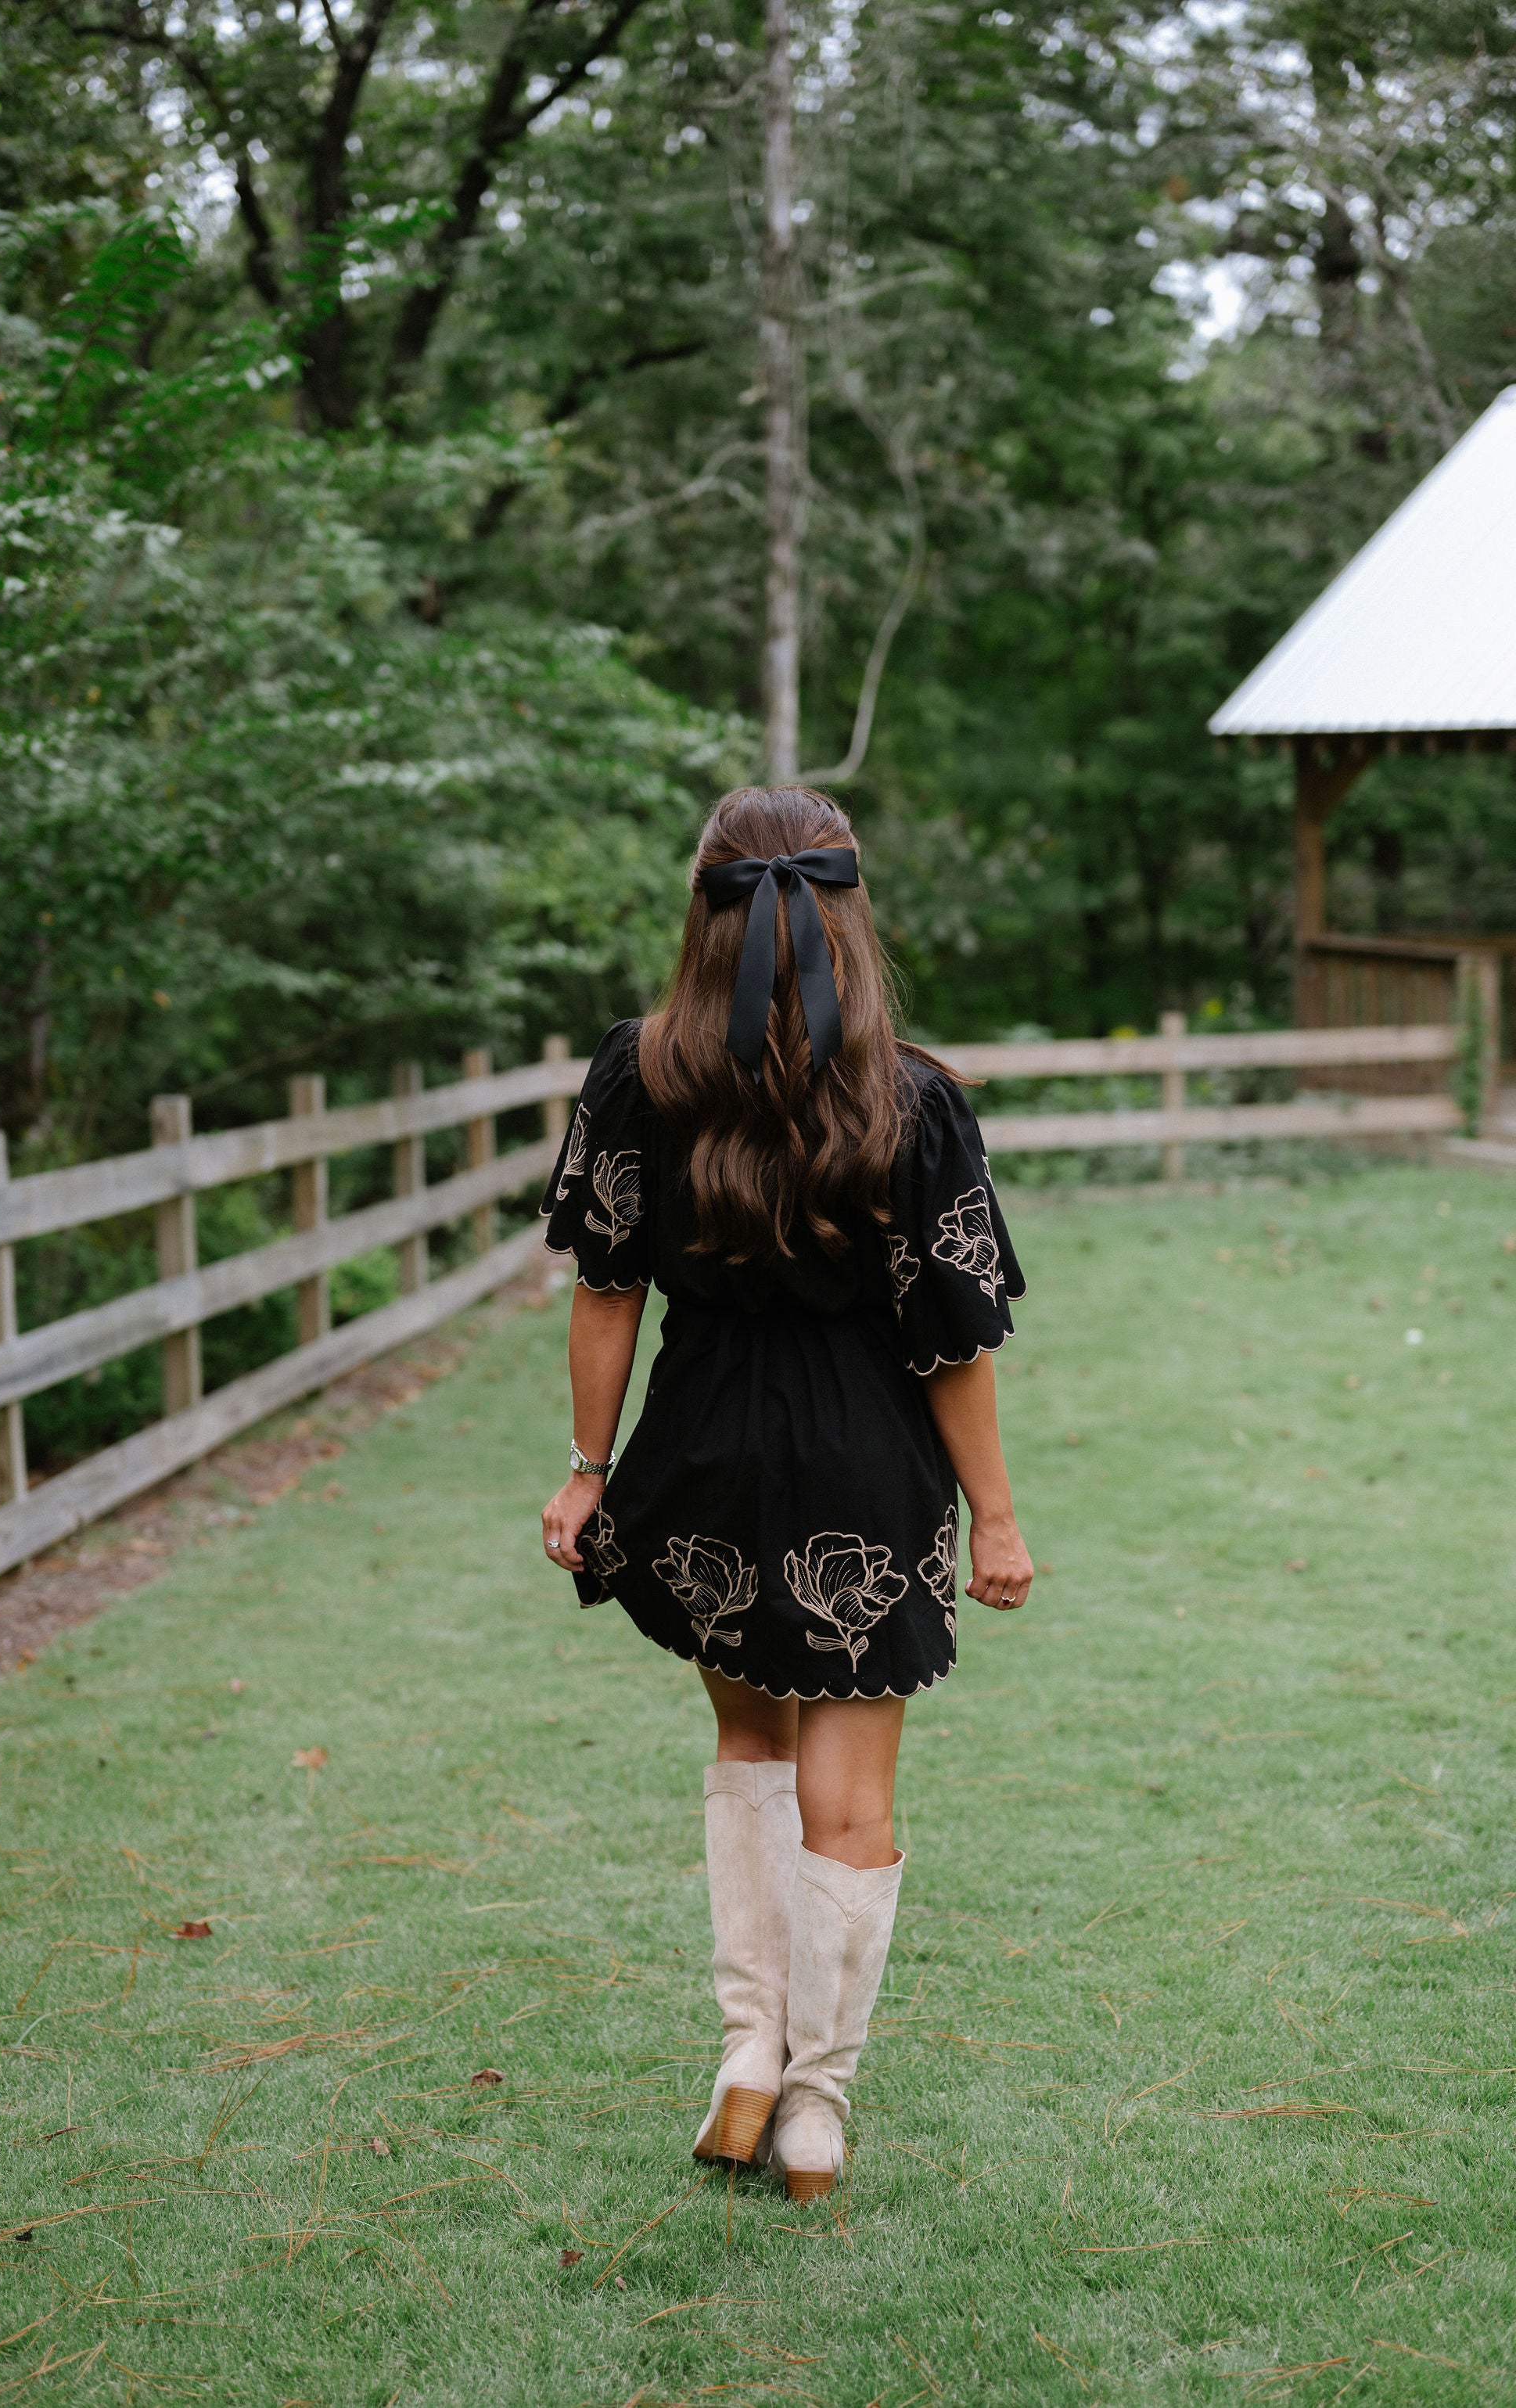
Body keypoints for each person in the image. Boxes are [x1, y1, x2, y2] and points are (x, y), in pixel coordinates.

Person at [538, 785, 1033, 2202]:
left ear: (703, 910)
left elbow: (606, 1285)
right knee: (847, 1789)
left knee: (750, 1745)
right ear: (845, 909)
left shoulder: (638, 1070)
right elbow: (951, 1334)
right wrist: (993, 1513)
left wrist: (588, 1470)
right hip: (862, 1465)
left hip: (700, 1449)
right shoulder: (913, 1096)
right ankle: (814, 2109)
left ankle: (747, 2059)